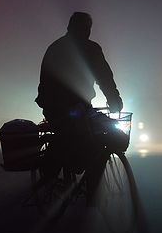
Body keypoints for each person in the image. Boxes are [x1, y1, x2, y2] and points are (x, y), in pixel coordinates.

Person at [35, 12, 123, 202]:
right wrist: (114, 100)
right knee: (88, 139)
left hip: (62, 107)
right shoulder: (89, 49)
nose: (86, 32)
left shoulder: (55, 47)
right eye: (85, 28)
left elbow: (103, 77)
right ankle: (87, 191)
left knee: (82, 137)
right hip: (67, 108)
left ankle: (71, 175)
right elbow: (104, 78)